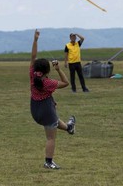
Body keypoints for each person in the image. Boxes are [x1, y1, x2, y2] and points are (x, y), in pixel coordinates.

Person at [30, 29, 76, 170]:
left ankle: (69, 127)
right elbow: (66, 83)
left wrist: (36, 40)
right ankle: (48, 162)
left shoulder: (32, 74)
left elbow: (33, 56)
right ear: (46, 72)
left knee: (55, 121)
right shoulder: (48, 83)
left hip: (35, 110)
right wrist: (58, 69)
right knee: (51, 138)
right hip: (46, 110)